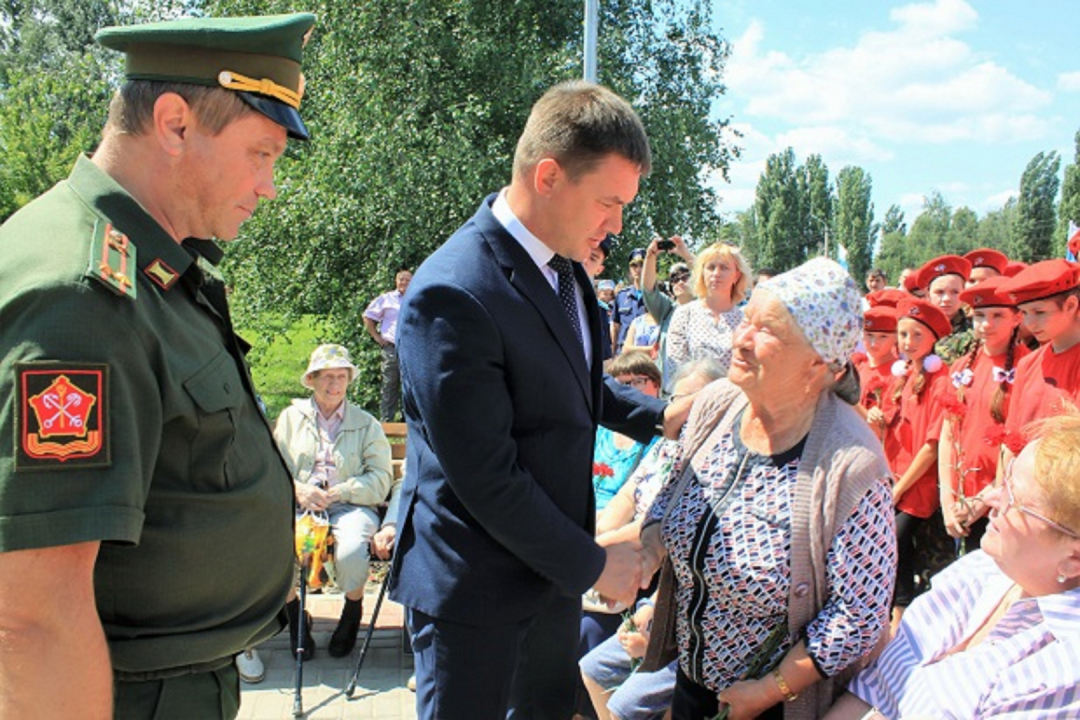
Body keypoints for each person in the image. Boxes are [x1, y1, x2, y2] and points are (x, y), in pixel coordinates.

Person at [0, 13, 314, 719]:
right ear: (174, 125)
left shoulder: (146, 267)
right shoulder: (81, 298)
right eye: (261, 153)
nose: (269, 186)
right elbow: (36, 616)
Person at [391, 80, 689, 720]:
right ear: (549, 176)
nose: (614, 226)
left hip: (545, 577)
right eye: (608, 203)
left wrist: (659, 415)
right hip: (476, 594)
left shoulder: (565, 268)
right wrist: (591, 564)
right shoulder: (456, 293)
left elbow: (568, 381)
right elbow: (486, 475)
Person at [640, 258, 897, 719]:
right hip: (692, 684)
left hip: (768, 704)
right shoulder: (718, 405)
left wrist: (770, 688)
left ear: (819, 365)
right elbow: (670, 494)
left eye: (767, 330)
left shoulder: (852, 466)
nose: (741, 338)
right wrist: (644, 549)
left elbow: (858, 615)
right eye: (748, 319)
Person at [828, 413, 1080, 719]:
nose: (991, 497)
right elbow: (874, 687)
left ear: (1074, 558)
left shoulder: (1064, 670)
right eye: (1006, 479)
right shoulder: (979, 571)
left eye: (1015, 500)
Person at [580, 359, 726, 720]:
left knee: (589, 636)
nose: (684, 413)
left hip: (668, 592)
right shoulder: (665, 447)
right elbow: (630, 499)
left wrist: (595, 552)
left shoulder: (715, 460)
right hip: (637, 564)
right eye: (678, 399)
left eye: (695, 403)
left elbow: (661, 526)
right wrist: (593, 539)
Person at [273, 344, 393, 658]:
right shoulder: (290, 418)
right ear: (312, 379)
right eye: (327, 376)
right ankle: (297, 617)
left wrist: (341, 492)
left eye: (341, 376)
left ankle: (352, 612)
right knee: (278, 547)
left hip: (350, 506)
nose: (334, 384)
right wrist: (299, 490)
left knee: (352, 550)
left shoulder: (366, 424)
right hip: (299, 506)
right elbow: (273, 470)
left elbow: (381, 479)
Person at [937, 277, 1027, 554]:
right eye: (979, 316)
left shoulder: (1027, 367)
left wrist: (985, 498)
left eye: (997, 315)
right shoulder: (964, 365)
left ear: (1017, 318)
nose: (986, 324)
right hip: (962, 500)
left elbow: (1019, 444)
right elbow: (948, 433)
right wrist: (947, 499)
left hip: (1003, 500)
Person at [999, 259, 1080, 472]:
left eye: (1039, 312)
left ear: (1071, 305)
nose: (1030, 323)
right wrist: (1004, 493)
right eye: (1024, 313)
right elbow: (1012, 439)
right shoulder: (1028, 363)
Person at [663, 242, 751, 395]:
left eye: (724, 267)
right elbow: (674, 368)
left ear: (736, 275)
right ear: (702, 273)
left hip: (734, 402)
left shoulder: (746, 320)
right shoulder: (685, 314)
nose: (716, 273)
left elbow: (749, 370)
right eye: (711, 267)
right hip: (689, 401)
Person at [641, 235, 696, 393]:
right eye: (674, 279)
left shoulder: (706, 307)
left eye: (686, 277)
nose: (679, 282)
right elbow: (648, 289)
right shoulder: (666, 310)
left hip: (696, 390)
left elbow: (706, 279)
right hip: (667, 390)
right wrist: (650, 256)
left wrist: (686, 254)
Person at [363, 268, 413, 421]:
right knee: (390, 384)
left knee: (410, 387)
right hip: (391, 347)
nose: (403, 282)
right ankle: (386, 422)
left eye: (407, 279)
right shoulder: (386, 299)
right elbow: (368, 316)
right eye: (401, 279)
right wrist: (377, 337)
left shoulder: (417, 297)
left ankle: (408, 423)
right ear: (396, 281)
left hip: (411, 349)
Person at [915, 254, 974, 363]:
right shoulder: (915, 329)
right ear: (927, 295)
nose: (947, 299)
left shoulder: (975, 332)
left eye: (954, 292)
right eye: (939, 292)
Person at [612, 247, 649, 354]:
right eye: (634, 265)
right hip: (624, 351)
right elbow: (615, 326)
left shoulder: (656, 297)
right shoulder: (622, 295)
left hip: (646, 353)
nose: (638, 269)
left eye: (642, 265)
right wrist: (613, 351)